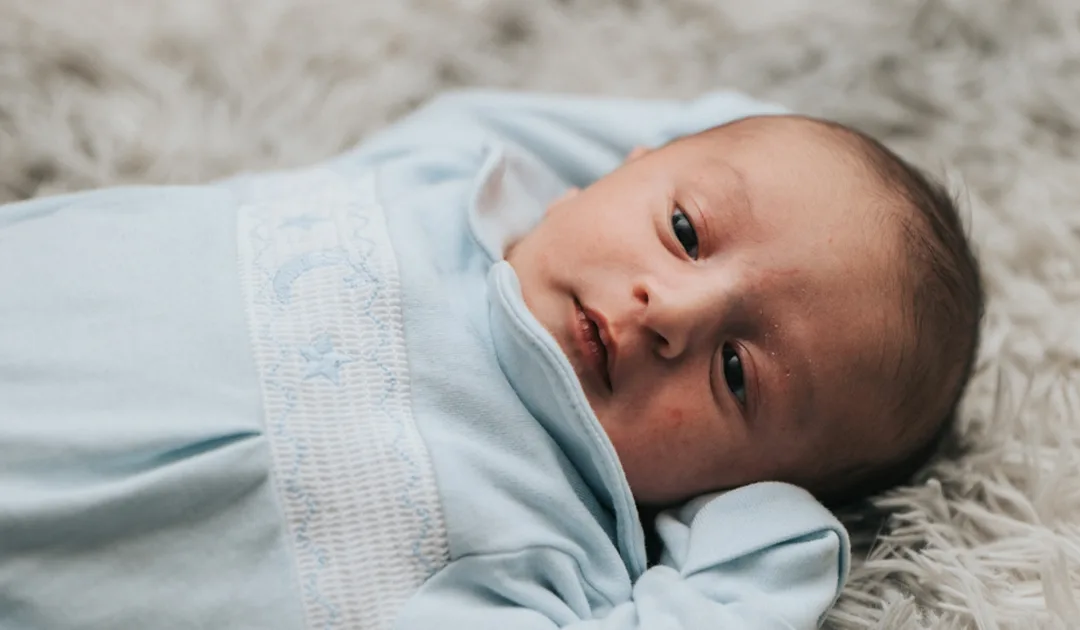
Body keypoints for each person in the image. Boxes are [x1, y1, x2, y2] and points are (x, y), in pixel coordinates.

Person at [0, 90, 982, 629]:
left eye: (736, 374)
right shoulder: (449, 176)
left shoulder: (556, 560)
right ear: (627, 163)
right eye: (684, 229)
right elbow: (695, 139)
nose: (669, 312)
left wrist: (780, 535)